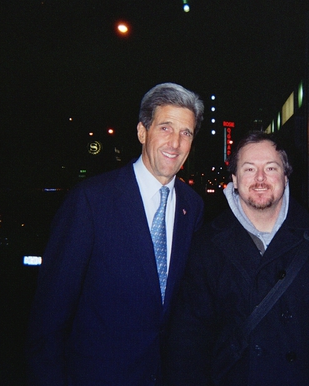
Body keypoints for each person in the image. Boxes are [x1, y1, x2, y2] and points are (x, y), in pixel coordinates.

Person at [25, 82, 205, 385]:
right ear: (141, 132)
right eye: (165, 128)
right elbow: (49, 316)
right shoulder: (91, 200)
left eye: (186, 132)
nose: (175, 142)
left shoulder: (193, 206)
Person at [164, 131, 309, 386]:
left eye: (271, 168)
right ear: (234, 179)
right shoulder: (206, 245)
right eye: (249, 169)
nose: (260, 178)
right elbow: (189, 345)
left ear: (285, 177)